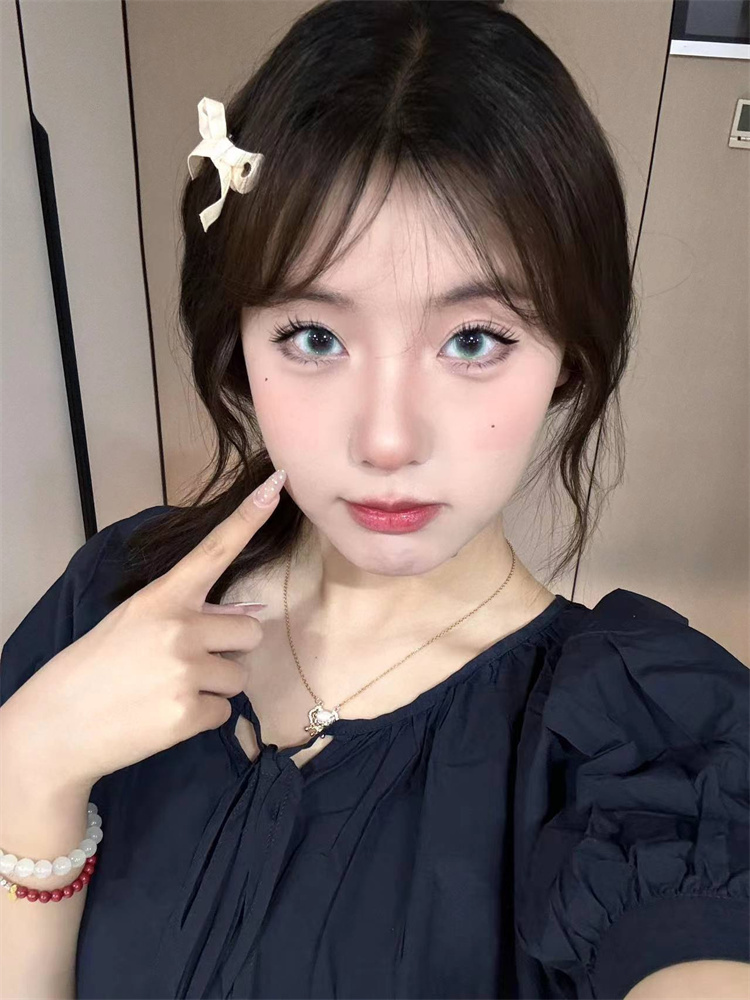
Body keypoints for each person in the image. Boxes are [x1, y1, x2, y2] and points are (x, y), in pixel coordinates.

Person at [1, 2, 748, 998]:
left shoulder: (646, 744)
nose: (387, 440)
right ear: (238, 347)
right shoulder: (112, 598)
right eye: (314, 336)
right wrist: (31, 769)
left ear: (569, 358)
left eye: (474, 339)